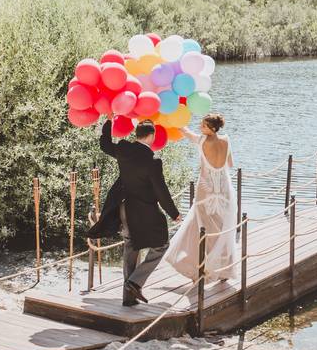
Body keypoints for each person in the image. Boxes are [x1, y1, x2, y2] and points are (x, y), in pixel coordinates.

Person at [87, 119, 181, 306]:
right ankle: (135, 282)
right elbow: (161, 191)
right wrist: (174, 213)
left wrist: (108, 121)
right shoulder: (153, 162)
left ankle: (129, 298)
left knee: (131, 246)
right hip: (145, 210)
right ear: (152, 136)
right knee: (161, 245)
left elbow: (105, 144)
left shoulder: (123, 149)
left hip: (124, 207)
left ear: (137, 135)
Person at [164, 113, 239, 282]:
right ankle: (223, 271)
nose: (200, 127)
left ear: (212, 128)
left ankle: (198, 269)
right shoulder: (226, 140)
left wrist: (174, 120)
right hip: (224, 190)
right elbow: (230, 164)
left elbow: (185, 132)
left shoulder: (202, 141)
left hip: (206, 191)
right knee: (221, 229)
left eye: (203, 126)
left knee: (199, 228)